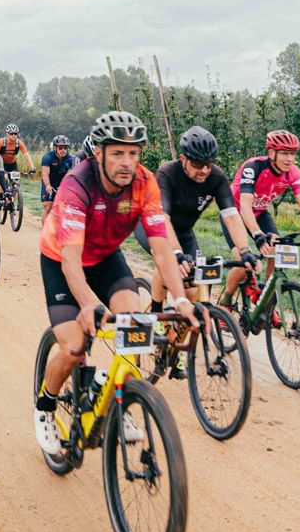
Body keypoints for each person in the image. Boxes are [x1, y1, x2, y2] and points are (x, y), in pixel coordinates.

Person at [33, 111, 202, 454]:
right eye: (117, 153)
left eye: (133, 153)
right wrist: (86, 303)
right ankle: (45, 407)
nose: (127, 162)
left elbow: (161, 248)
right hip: (61, 258)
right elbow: (70, 257)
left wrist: (182, 301)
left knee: (133, 325)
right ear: (100, 153)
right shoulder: (77, 184)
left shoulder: (145, 183)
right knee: (74, 346)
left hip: (105, 257)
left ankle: (118, 401)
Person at [133, 126, 260, 377]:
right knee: (166, 260)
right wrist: (176, 253)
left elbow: (231, 216)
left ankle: (177, 350)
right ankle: (158, 313)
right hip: (155, 225)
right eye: (198, 164)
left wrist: (244, 250)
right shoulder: (167, 174)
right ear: (183, 159)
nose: (204, 170)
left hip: (185, 232)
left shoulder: (216, 177)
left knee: (193, 292)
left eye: (208, 164)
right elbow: (163, 218)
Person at [217, 130, 300, 309]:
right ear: (271, 153)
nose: (289, 158)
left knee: (278, 250)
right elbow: (245, 207)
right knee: (243, 261)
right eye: (285, 153)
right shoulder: (253, 167)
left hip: (260, 212)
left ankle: (266, 300)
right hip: (236, 214)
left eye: (292, 154)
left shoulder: (293, 173)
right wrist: (257, 234)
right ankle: (225, 301)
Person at [40, 135, 74, 224]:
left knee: (64, 208)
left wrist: (64, 186)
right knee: (48, 206)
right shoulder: (48, 158)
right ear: (55, 148)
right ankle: (45, 232)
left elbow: (69, 175)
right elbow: (45, 174)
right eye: (60, 148)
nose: (63, 150)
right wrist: (47, 186)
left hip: (61, 184)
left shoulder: (70, 159)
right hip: (48, 183)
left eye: (65, 148)